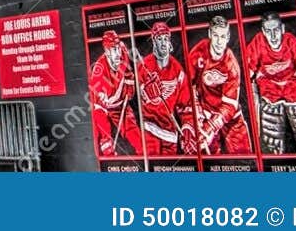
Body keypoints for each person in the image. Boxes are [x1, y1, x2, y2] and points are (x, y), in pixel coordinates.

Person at [243, 11, 296, 154]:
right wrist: (253, 102)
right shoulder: (257, 44)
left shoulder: (292, 42)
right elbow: (248, 76)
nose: (273, 36)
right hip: (270, 93)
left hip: (295, 91)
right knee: (271, 141)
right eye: (268, 31)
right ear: (263, 32)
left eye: (276, 30)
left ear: (282, 29)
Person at [186, 15, 252, 154]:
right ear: (210, 33)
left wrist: (211, 126)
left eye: (222, 37)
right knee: (210, 162)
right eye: (215, 35)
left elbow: (229, 106)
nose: (219, 41)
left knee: (244, 158)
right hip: (205, 114)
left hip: (231, 119)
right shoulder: (198, 53)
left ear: (228, 37)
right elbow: (187, 86)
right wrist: (196, 114)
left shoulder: (231, 65)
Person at [137, 22, 197, 155]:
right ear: (153, 41)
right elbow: (132, 97)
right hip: (149, 129)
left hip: (170, 134)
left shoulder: (178, 70)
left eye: (166, 38)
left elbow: (186, 105)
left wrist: (187, 127)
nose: (163, 43)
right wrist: (145, 94)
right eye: (159, 39)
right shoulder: (143, 67)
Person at [89, 30, 141, 156]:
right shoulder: (99, 69)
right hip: (103, 108)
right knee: (105, 147)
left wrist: (129, 80)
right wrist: (106, 136)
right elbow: (98, 105)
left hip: (120, 106)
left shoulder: (122, 52)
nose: (117, 53)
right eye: (113, 49)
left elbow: (127, 69)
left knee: (139, 141)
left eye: (117, 48)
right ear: (106, 51)